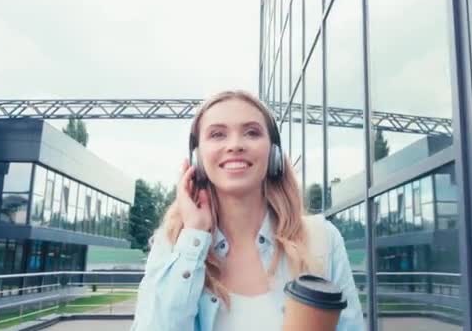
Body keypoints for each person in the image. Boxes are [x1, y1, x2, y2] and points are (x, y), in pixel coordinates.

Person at [131, 90, 363, 330]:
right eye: (217, 134)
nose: (235, 145)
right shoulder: (173, 244)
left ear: (273, 154)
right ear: (197, 158)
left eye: (252, 132)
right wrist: (194, 237)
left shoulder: (323, 240)